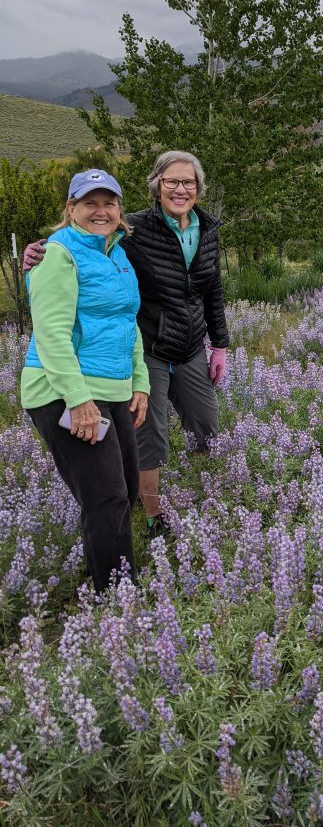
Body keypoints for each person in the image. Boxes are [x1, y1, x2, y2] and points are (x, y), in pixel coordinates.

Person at [26, 151, 229, 536]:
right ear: (157, 185)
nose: (180, 189)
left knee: (206, 424)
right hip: (148, 345)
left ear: (199, 190)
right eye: (171, 181)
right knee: (148, 434)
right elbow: (88, 242)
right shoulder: (132, 226)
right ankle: (153, 515)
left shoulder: (208, 230)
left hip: (190, 346)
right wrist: (38, 252)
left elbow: (212, 290)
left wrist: (219, 344)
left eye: (188, 182)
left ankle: (208, 492)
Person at [21, 169, 150, 593]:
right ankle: (116, 600)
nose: (100, 211)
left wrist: (140, 383)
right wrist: (77, 399)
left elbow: (127, 322)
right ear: (70, 209)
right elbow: (52, 333)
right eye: (89, 203)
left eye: (108, 202)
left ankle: (108, 576)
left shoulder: (117, 253)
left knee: (126, 490)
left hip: (111, 388)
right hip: (62, 391)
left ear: (119, 209)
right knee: (106, 496)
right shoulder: (58, 254)